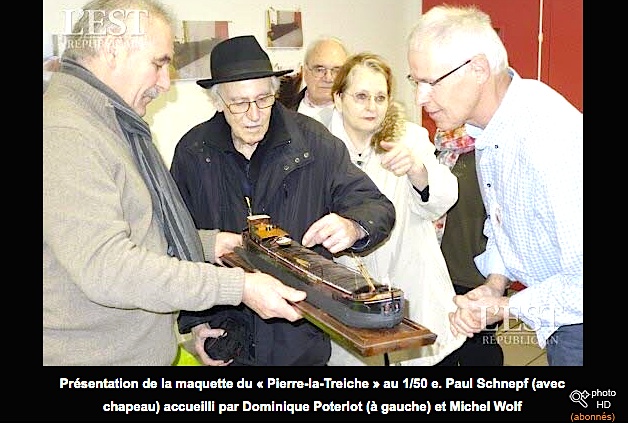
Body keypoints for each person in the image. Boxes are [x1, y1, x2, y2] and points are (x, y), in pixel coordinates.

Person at [43, 0, 307, 366]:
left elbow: (141, 231)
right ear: (112, 49)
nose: (166, 84)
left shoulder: (103, 121)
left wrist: (208, 243)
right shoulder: (67, 132)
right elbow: (108, 267)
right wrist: (239, 287)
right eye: (159, 63)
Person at [170, 36, 396, 366]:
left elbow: (377, 206)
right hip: (228, 333)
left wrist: (353, 225)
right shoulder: (193, 152)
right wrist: (197, 323)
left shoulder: (314, 142)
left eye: (264, 99)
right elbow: (178, 240)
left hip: (300, 332)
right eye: (239, 103)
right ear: (218, 102)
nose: (254, 115)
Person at [407, 5, 583, 366]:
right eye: (416, 82)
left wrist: (503, 306)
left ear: (478, 69)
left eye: (431, 82)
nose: (420, 99)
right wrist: (494, 283)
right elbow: (508, 222)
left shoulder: (548, 138)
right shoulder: (489, 128)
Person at [325, 52, 466, 366]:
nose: (371, 106)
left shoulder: (409, 139)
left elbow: (445, 198)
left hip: (412, 281)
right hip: (351, 290)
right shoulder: (319, 149)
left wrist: (418, 170)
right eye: (361, 96)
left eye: (380, 97)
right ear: (338, 98)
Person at [432, 125, 504, 366]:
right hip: (438, 271)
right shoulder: (437, 152)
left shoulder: (489, 152)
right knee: (442, 350)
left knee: (478, 350)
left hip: (475, 276)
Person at [277, 36, 349, 125]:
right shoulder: (280, 113)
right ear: (305, 72)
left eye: (337, 71)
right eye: (320, 70)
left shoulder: (359, 115)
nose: (328, 78)